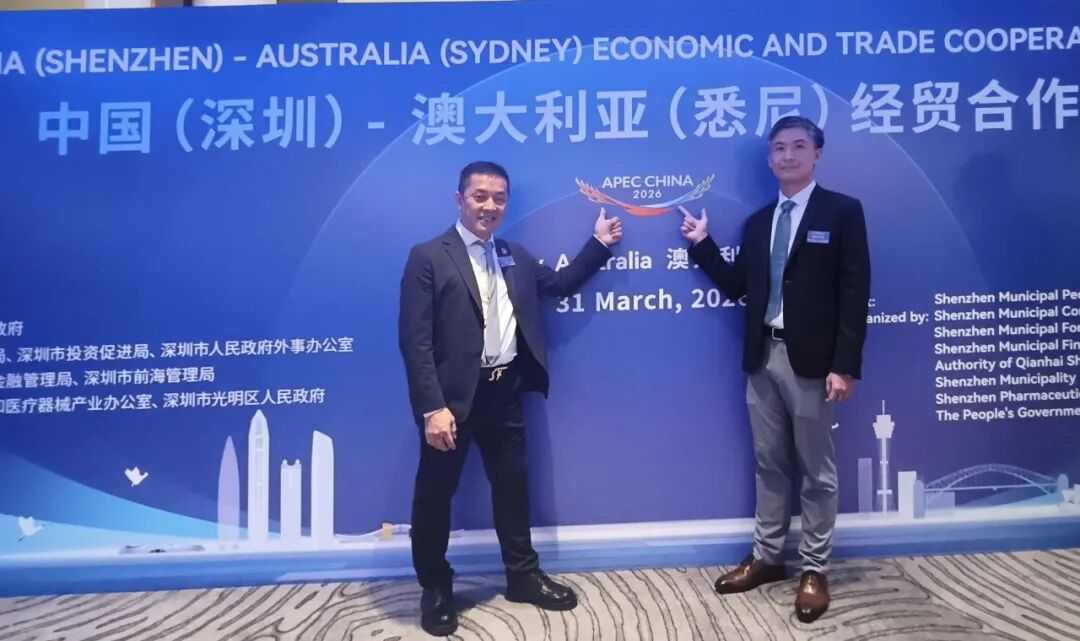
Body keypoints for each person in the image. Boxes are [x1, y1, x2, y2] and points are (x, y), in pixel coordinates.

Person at [398, 160, 623, 636]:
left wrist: (599, 244)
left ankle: (522, 577)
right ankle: (435, 586)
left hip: (505, 392)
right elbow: (415, 342)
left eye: (498, 198)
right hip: (452, 402)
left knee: (513, 490)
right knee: (435, 497)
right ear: (459, 199)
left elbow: (559, 285)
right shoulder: (429, 256)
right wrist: (432, 408)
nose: (489, 206)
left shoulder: (513, 254)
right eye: (479, 196)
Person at [679, 116, 870, 623]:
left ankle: (814, 569)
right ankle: (767, 557)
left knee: (817, 471)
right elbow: (740, 288)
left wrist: (844, 365)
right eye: (779, 148)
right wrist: (702, 244)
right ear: (770, 158)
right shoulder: (760, 221)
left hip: (813, 364)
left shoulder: (842, 212)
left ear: (817, 153)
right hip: (763, 357)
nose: (787, 156)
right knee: (770, 464)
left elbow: (855, 295)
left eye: (798, 146)